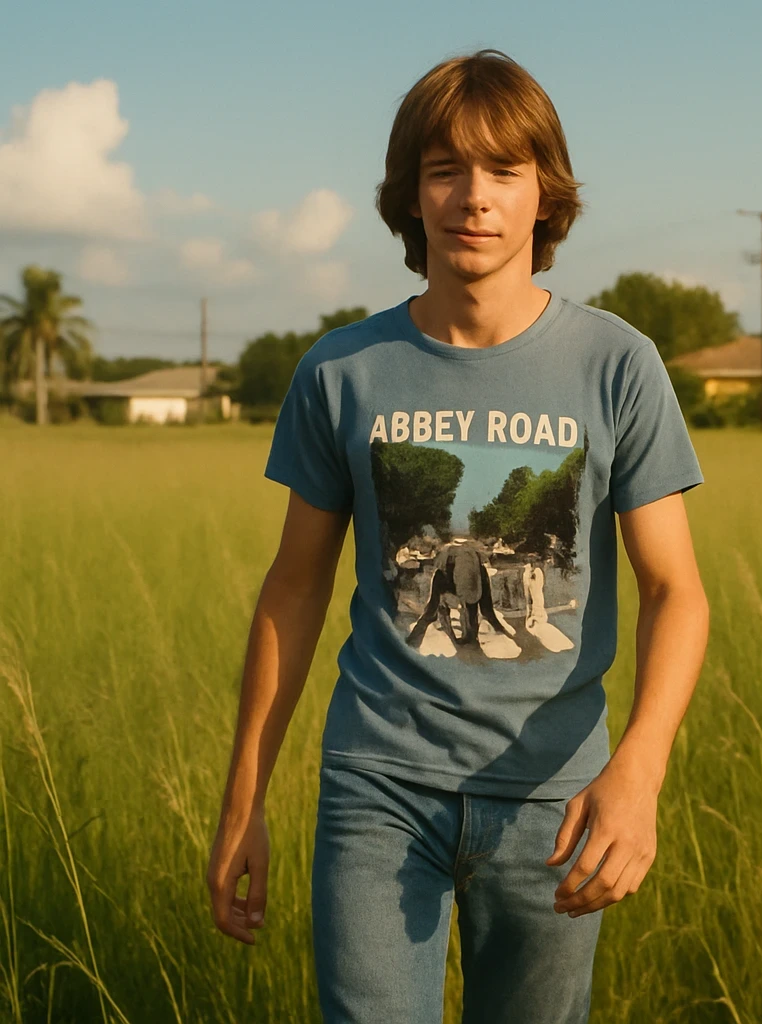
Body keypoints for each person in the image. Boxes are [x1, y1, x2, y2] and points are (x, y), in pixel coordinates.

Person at [205, 50, 709, 1024]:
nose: (474, 197)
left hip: (556, 798)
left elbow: (676, 591)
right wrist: (243, 803)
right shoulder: (342, 371)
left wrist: (639, 772)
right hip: (378, 787)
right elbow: (293, 589)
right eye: (445, 170)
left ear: (545, 195)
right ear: (410, 195)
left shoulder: (617, 366)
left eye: (504, 171)